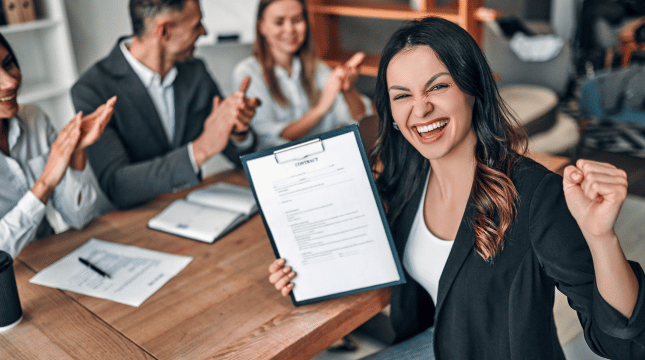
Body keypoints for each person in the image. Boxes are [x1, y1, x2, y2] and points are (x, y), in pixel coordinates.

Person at [268, 17, 645, 359]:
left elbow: (620, 343)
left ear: (472, 88)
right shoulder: (406, 177)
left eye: (438, 86)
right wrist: (302, 269)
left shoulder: (535, 195)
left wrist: (602, 238)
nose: (421, 109)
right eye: (402, 95)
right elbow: (361, 252)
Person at [72, 0, 261, 209]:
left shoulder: (195, 71)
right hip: (134, 222)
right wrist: (200, 150)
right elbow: (116, 185)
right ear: (164, 31)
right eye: (196, 25)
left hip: (196, 208)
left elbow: (238, 156)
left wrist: (237, 131)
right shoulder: (92, 89)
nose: (204, 32)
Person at [0, 33, 116, 258]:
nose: (11, 82)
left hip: (53, 257)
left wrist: (76, 151)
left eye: (8, 64)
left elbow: (79, 218)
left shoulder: (34, 118)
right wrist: (45, 183)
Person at [232, 0, 372, 150]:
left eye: (297, 20)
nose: (290, 29)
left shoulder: (318, 68)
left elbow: (361, 119)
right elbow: (272, 138)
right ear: (262, 26)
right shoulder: (247, 73)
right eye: (279, 22)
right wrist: (321, 107)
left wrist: (348, 90)